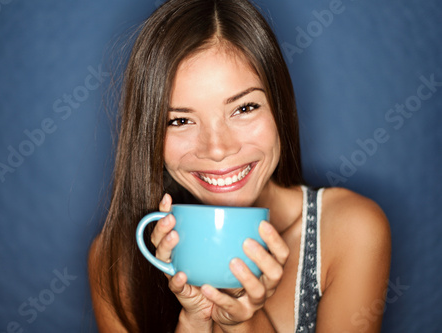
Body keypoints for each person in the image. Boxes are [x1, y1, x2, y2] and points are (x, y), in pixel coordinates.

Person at [88, 0, 391, 332]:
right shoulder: (115, 260)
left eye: (244, 108)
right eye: (179, 120)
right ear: (148, 133)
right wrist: (194, 325)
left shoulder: (350, 230)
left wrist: (242, 325)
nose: (217, 149)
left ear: (279, 106)